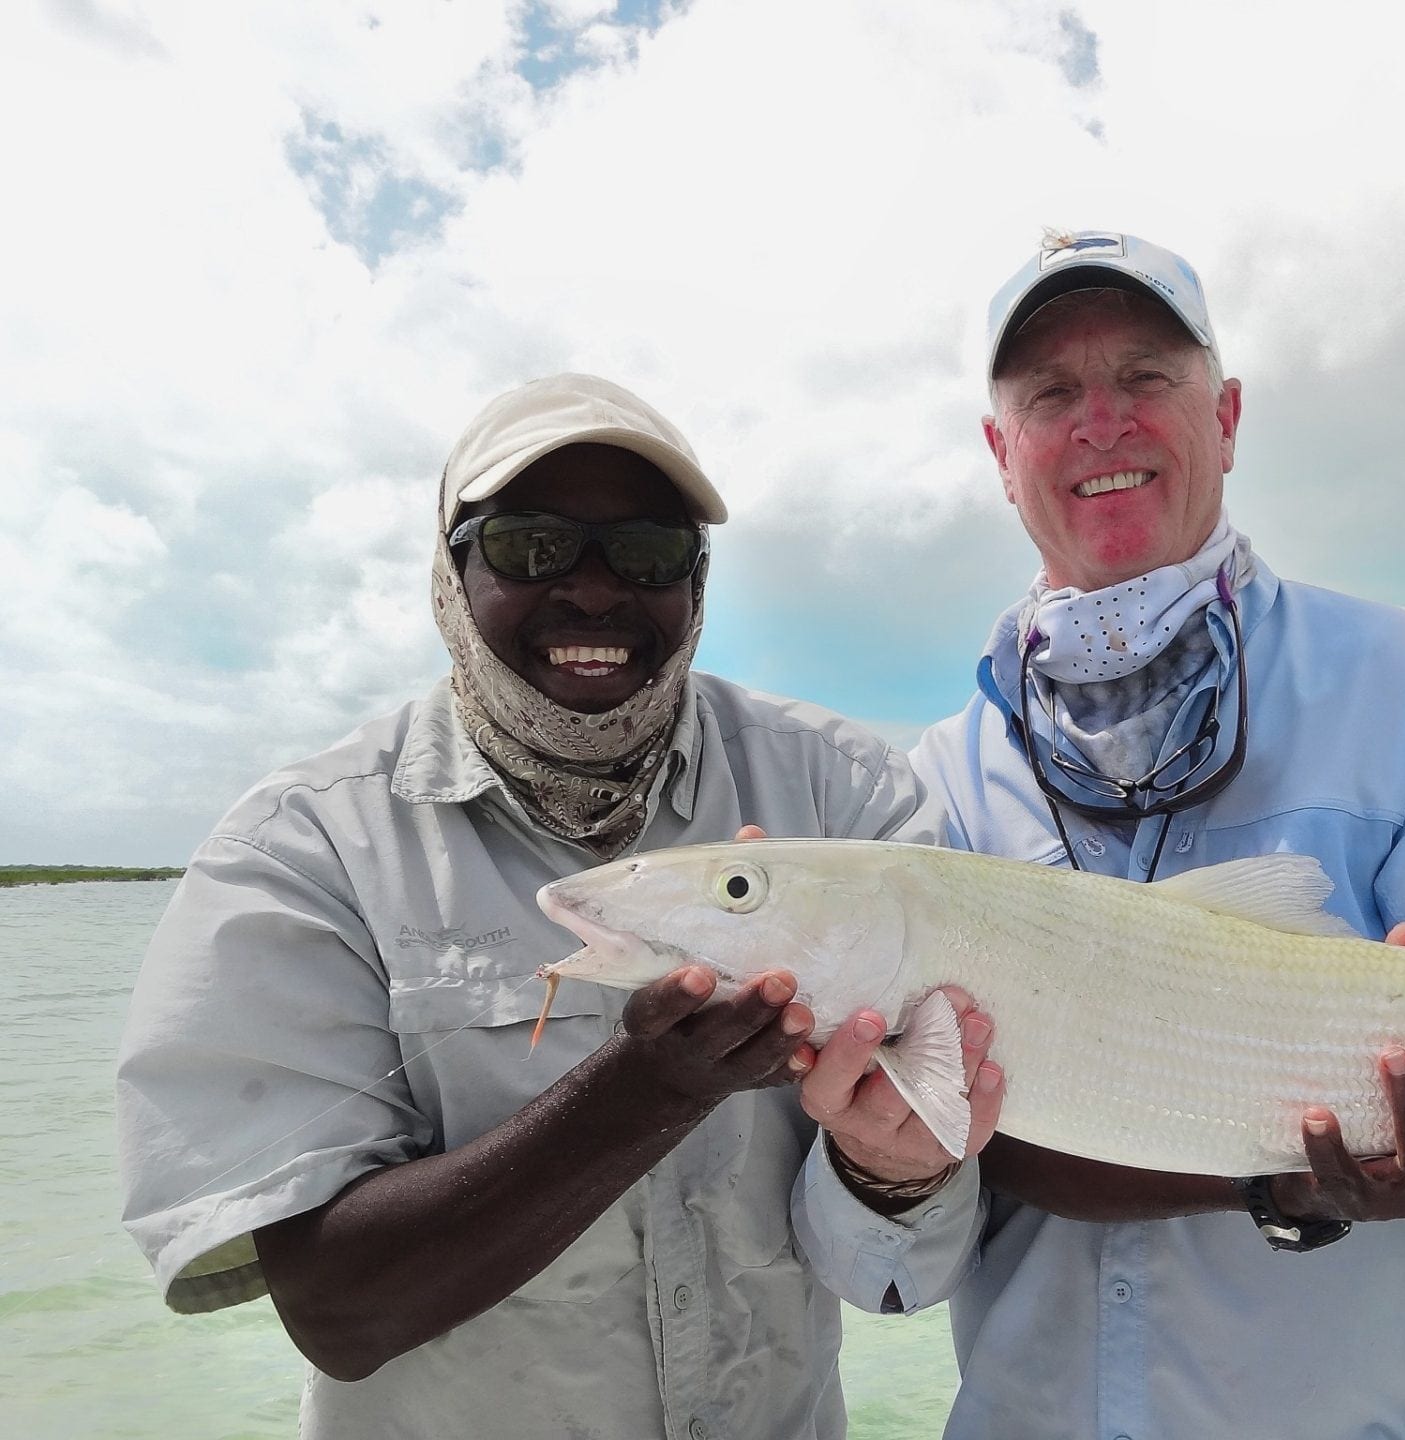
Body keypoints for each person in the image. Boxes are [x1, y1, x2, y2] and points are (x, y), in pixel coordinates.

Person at [793, 232, 1405, 1438]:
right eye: (1052, 394)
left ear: (1225, 416)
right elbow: (900, 1260)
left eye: (1146, 379)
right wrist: (884, 1165)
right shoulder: (942, 783)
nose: (1101, 422)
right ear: (1002, 454)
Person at [115, 373, 1000, 1440]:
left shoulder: (846, 800)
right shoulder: (303, 850)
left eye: (647, 552)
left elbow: (893, 1279)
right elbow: (338, 1313)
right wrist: (647, 1091)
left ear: (699, 582)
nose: (591, 591)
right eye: (530, 546)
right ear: (450, 575)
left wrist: (890, 1168)